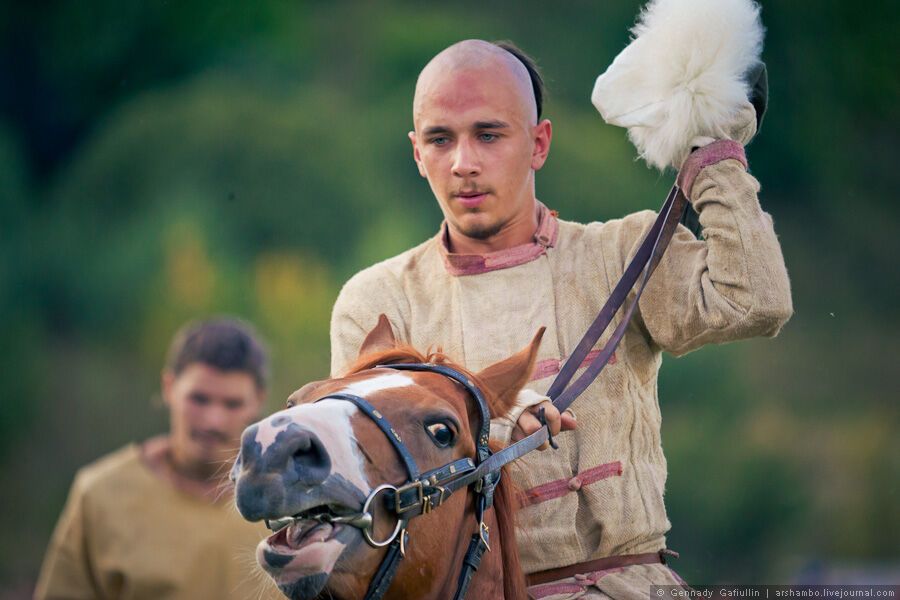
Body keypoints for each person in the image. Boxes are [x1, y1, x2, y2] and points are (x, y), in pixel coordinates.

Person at [329, 40, 793, 598]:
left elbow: (757, 300)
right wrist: (496, 425)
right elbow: (366, 475)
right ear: (416, 153)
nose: (464, 163)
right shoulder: (378, 300)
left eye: (489, 134)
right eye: (440, 139)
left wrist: (710, 157)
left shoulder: (622, 250)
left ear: (539, 143)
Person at [35, 318, 281, 600]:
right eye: (199, 399)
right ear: (169, 388)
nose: (214, 420)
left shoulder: (288, 503)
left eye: (232, 403)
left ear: (259, 400)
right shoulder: (101, 494)